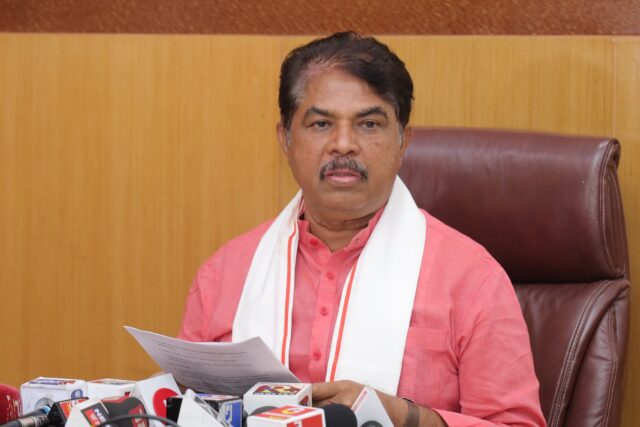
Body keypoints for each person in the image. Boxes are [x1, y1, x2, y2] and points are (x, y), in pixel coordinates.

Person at [179, 31, 546, 427]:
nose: (343, 144)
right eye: (321, 123)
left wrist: (405, 417)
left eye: (369, 124)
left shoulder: (472, 280)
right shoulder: (224, 276)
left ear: (403, 140)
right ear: (285, 138)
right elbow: (181, 411)